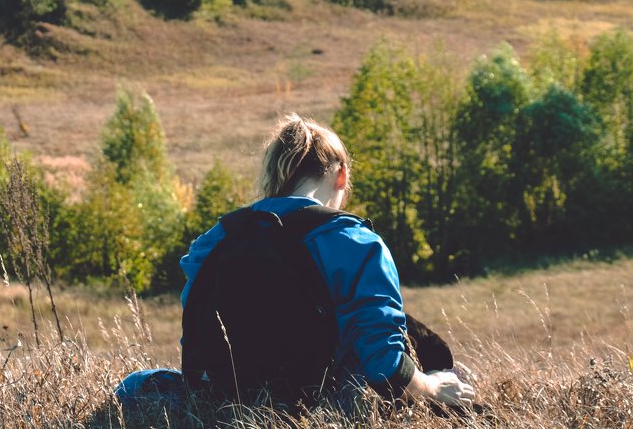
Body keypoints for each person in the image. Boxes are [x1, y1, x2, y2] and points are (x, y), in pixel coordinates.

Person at [116, 113, 476, 414]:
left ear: (275, 175)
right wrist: (431, 387)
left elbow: (196, 335)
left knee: (133, 386)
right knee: (442, 366)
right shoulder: (356, 241)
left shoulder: (216, 239)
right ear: (341, 175)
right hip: (318, 405)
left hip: (218, 400)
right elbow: (383, 364)